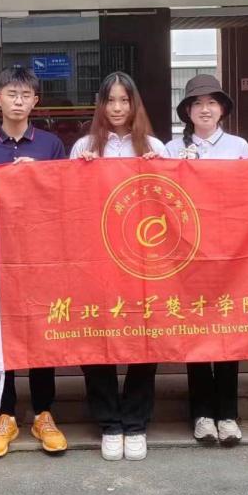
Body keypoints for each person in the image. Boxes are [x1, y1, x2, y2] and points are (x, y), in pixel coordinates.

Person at [0, 66, 68, 458]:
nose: (18, 101)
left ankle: (43, 413)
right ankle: (4, 414)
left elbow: (65, 193)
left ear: (35, 101)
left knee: (40, 327)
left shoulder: (51, 145)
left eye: (25, 95)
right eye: (11, 94)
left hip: (41, 253)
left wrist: (40, 175)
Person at [70, 72, 168, 462]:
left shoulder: (155, 146)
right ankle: (109, 422)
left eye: (124, 100)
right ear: (100, 104)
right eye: (110, 100)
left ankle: (136, 421)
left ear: (134, 104)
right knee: (96, 337)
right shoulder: (83, 146)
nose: (116, 108)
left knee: (145, 338)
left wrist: (161, 168)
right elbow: (68, 203)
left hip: (143, 261)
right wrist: (82, 172)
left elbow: (174, 200)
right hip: (95, 259)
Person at [165, 74, 248, 447]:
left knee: (229, 329)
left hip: (230, 255)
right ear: (187, 110)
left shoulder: (239, 146)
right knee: (196, 331)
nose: (205, 109)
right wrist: (179, 171)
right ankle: (202, 414)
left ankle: (228, 414)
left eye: (212, 102)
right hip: (187, 257)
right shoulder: (171, 149)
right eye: (197, 103)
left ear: (222, 109)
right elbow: (162, 200)